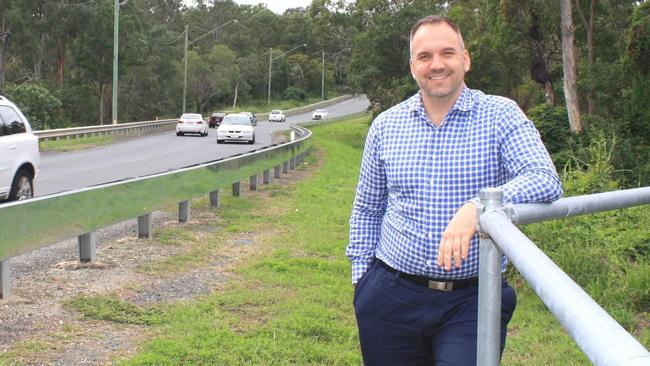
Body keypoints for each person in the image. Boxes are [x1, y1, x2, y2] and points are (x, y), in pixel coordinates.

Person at [346, 15, 563, 366]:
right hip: (389, 295)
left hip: (473, 300)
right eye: (424, 56)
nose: (437, 65)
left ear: (466, 59)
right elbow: (367, 209)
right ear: (412, 66)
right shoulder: (385, 126)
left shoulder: (500, 115)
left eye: (447, 53)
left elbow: (544, 178)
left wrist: (477, 208)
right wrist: (362, 280)